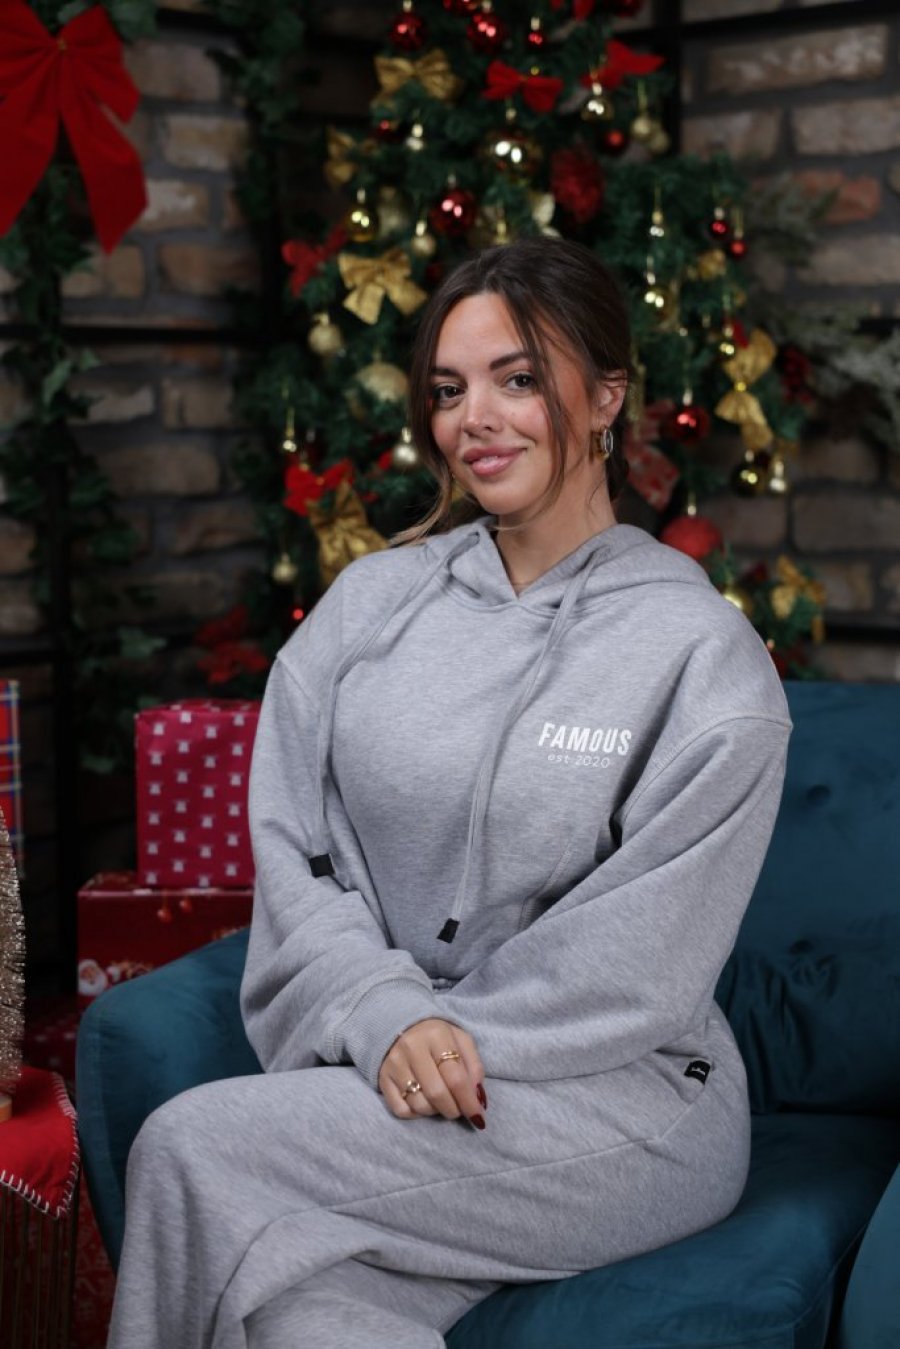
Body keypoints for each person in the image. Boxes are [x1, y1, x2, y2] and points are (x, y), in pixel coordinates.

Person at [107, 237, 791, 1349]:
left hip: (623, 1105)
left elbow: (638, 965)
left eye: (518, 379)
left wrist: (429, 1033)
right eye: (448, 389)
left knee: (193, 1148)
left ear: (606, 396)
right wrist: (384, 1013)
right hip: (400, 1073)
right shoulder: (369, 606)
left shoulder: (699, 656)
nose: (476, 419)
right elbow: (296, 848)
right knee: (300, 1311)